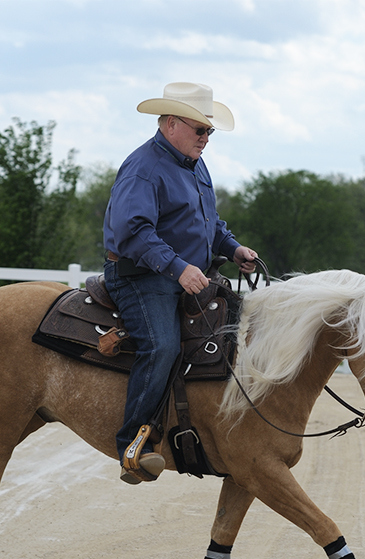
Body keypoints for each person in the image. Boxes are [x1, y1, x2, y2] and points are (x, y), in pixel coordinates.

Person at [103, 82, 258, 485]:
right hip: (142, 277)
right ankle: (133, 447)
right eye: (200, 130)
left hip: (183, 274)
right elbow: (132, 232)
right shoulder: (144, 168)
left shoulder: (194, 164)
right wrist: (178, 267)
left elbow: (208, 224)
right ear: (171, 124)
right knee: (163, 345)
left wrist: (234, 247)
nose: (207, 139)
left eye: (210, 132)